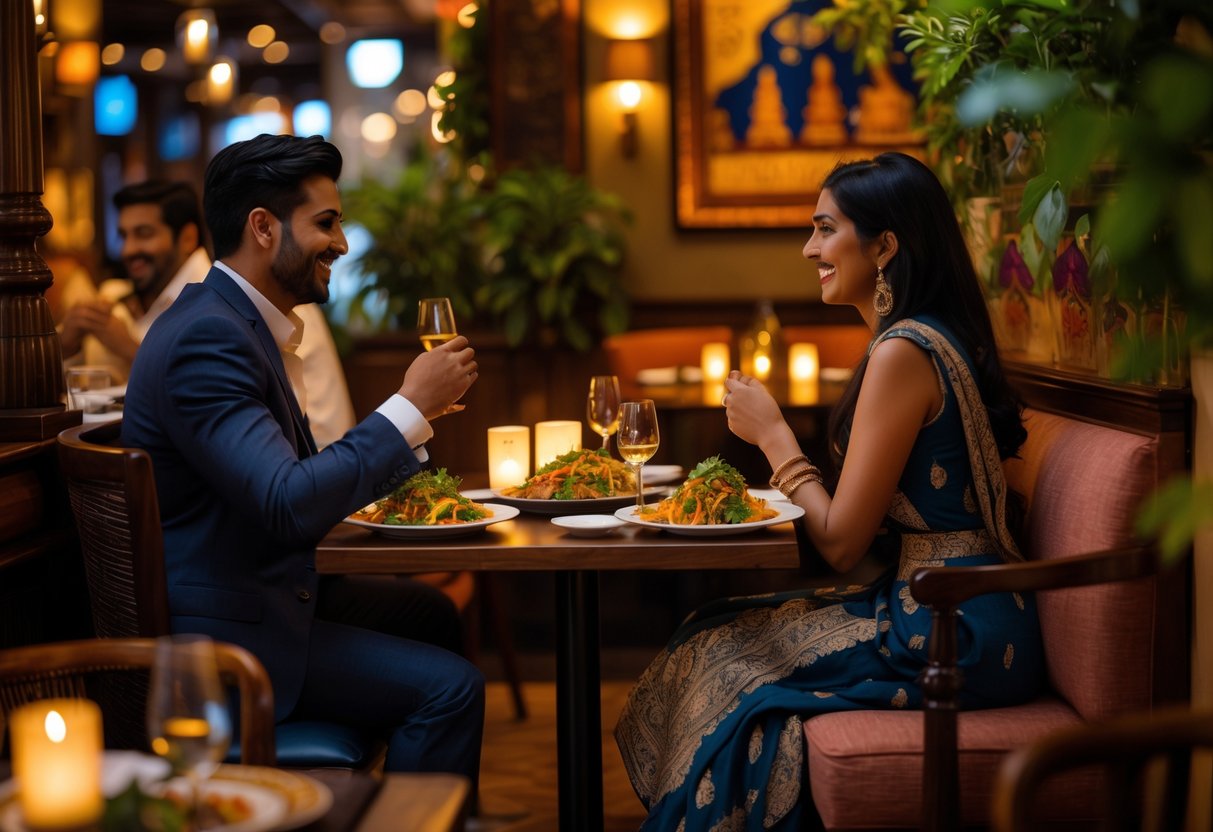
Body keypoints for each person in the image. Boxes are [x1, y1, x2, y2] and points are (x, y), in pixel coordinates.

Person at [614, 152, 1045, 830]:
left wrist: (774, 437)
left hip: (949, 627)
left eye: (824, 228)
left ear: (883, 247)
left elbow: (842, 542)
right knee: (710, 631)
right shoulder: (922, 337)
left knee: (726, 667)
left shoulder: (904, 351)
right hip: (945, 603)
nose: (808, 247)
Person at [121, 133, 484, 782]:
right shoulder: (209, 337)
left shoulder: (242, 323)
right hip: (228, 638)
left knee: (429, 613)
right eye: (326, 223)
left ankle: (435, 810)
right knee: (450, 688)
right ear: (263, 228)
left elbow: (294, 494)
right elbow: (289, 503)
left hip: (261, 589)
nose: (341, 243)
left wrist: (413, 420)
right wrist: (405, 408)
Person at [59, 180, 356, 446]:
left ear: (188, 238)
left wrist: (127, 348)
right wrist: (66, 344)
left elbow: (321, 434)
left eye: (144, 234)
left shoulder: (261, 306)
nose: (128, 249)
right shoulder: (114, 300)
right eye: (123, 236)